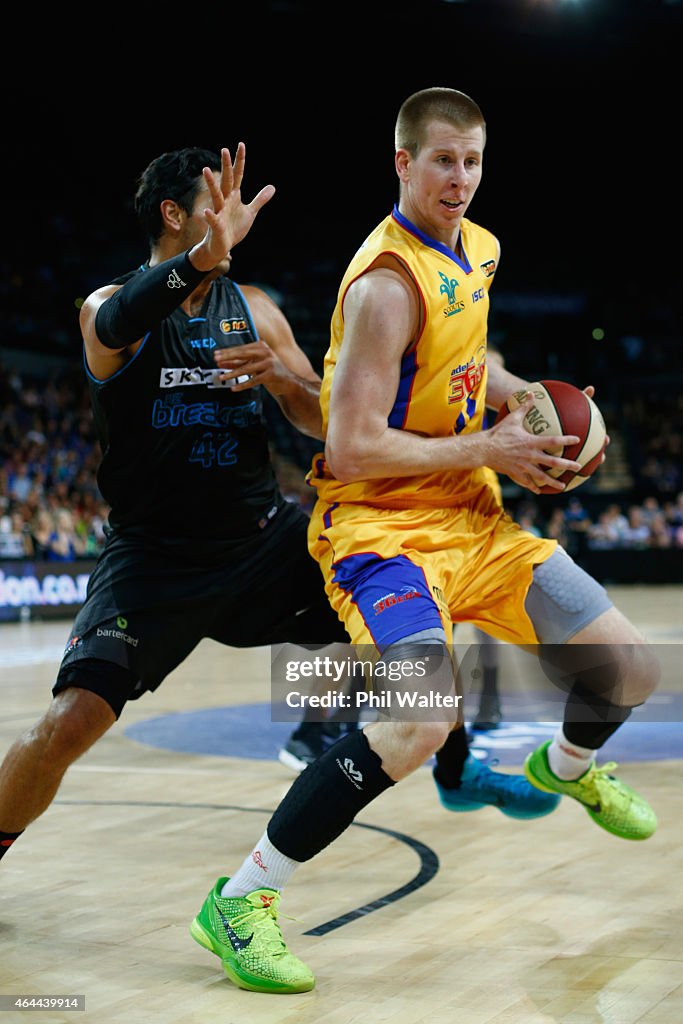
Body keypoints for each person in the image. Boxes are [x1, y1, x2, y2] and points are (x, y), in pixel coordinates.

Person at [0, 141, 555, 992]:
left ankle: (454, 764)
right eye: (215, 202)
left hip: (262, 542)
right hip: (154, 560)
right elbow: (113, 331)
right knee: (69, 723)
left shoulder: (254, 308)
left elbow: (323, 421)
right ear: (176, 217)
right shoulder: (111, 304)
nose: (234, 219)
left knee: (416, 611)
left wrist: (280, 387)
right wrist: (197, 263)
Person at [186, 88, 660, 996]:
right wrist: (493, 444)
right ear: (401, 163)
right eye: (442, 160)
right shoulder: (382, 285)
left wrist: (538, 411)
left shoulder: (477, 249)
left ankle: (567, 769)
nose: (460, 178)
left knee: (628, 670)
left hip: (471, 519)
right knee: (418, 719)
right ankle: (241, 901)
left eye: (473, 160)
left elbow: (471, 373)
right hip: (380, 531)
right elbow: (350, 445)